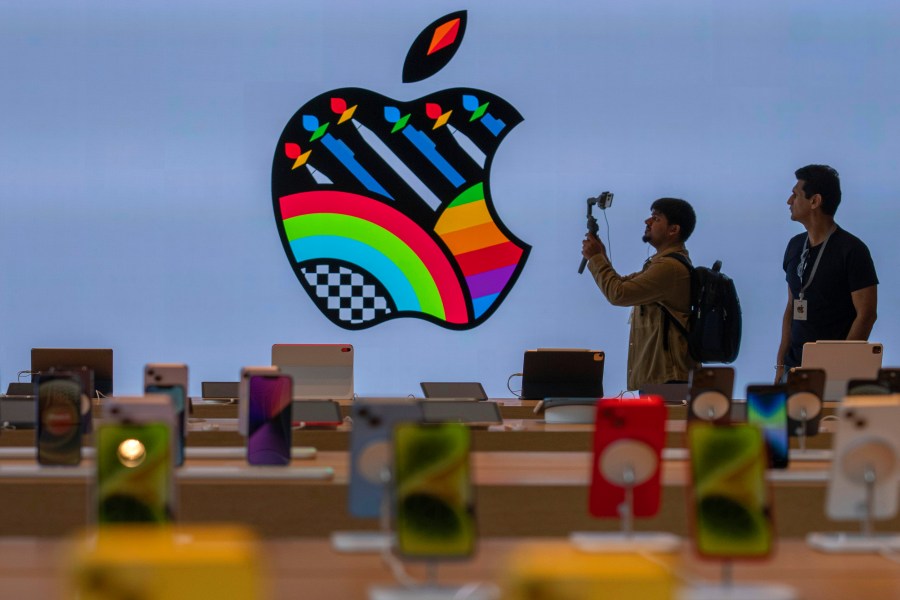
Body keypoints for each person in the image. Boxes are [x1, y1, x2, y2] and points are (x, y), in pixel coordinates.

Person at [774, 165, 878, 384]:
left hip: (832, 374)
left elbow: (867, 314)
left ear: (815, 201)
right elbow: (792, 306)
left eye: (795, 194)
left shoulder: (852, 250)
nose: (789, 201)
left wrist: (841, 368)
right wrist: (780, 365)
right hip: (793, 370)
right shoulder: (794, 246)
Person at [581, 198, 696, 391]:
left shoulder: (669, 268)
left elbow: (618, 294)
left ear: (673, 230)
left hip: (669, 383)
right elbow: (622, 284)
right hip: (663, 379)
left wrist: (595, 258)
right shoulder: (663, 265)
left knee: (665, 423)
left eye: (656, 218)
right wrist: (601, 256)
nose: (647, 222)